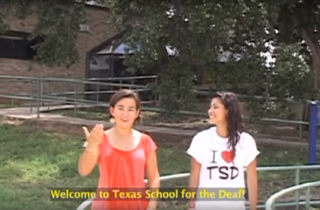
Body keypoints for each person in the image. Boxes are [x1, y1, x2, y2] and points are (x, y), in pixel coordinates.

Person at [78, 89, 160, 210]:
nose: (125, 114)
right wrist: (91, 146)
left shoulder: (145, 141)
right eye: (120, 108)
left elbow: (154, 178)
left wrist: (152, 205)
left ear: (137, 113)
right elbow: (83, 171)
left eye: (130, 109)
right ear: (112, 110)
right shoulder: (101, 139)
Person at [187, 91, 259, 210]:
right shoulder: (201, 139)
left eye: (215, 107)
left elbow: (252, 179)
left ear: (228, 110)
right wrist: (191, 205)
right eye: (210, 107)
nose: (210, 111)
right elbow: (195, 176)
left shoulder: (246, 141)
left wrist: (253, 208)